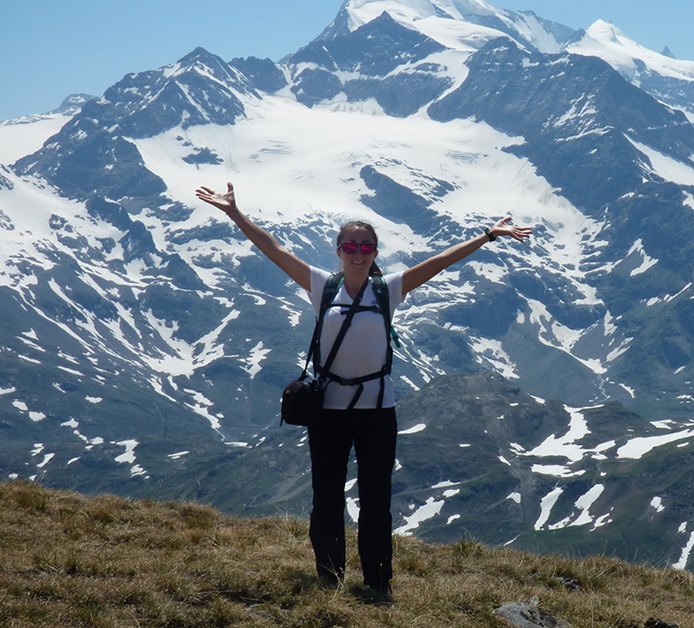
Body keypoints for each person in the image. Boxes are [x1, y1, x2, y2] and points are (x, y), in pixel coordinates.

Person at [195, 182, 531, 600]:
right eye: (349, 246)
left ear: (375, 252)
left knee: (377, 499)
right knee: (327, 495)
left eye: (365, 246)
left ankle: (377, 581)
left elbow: (440, 262)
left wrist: (487, 235)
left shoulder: (388, 289)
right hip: (329, 411)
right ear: (338, 251)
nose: (357, 252)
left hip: (377, 410)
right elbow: (274, 249)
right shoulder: (323, 287)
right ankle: (329, 576)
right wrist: (235, 213)